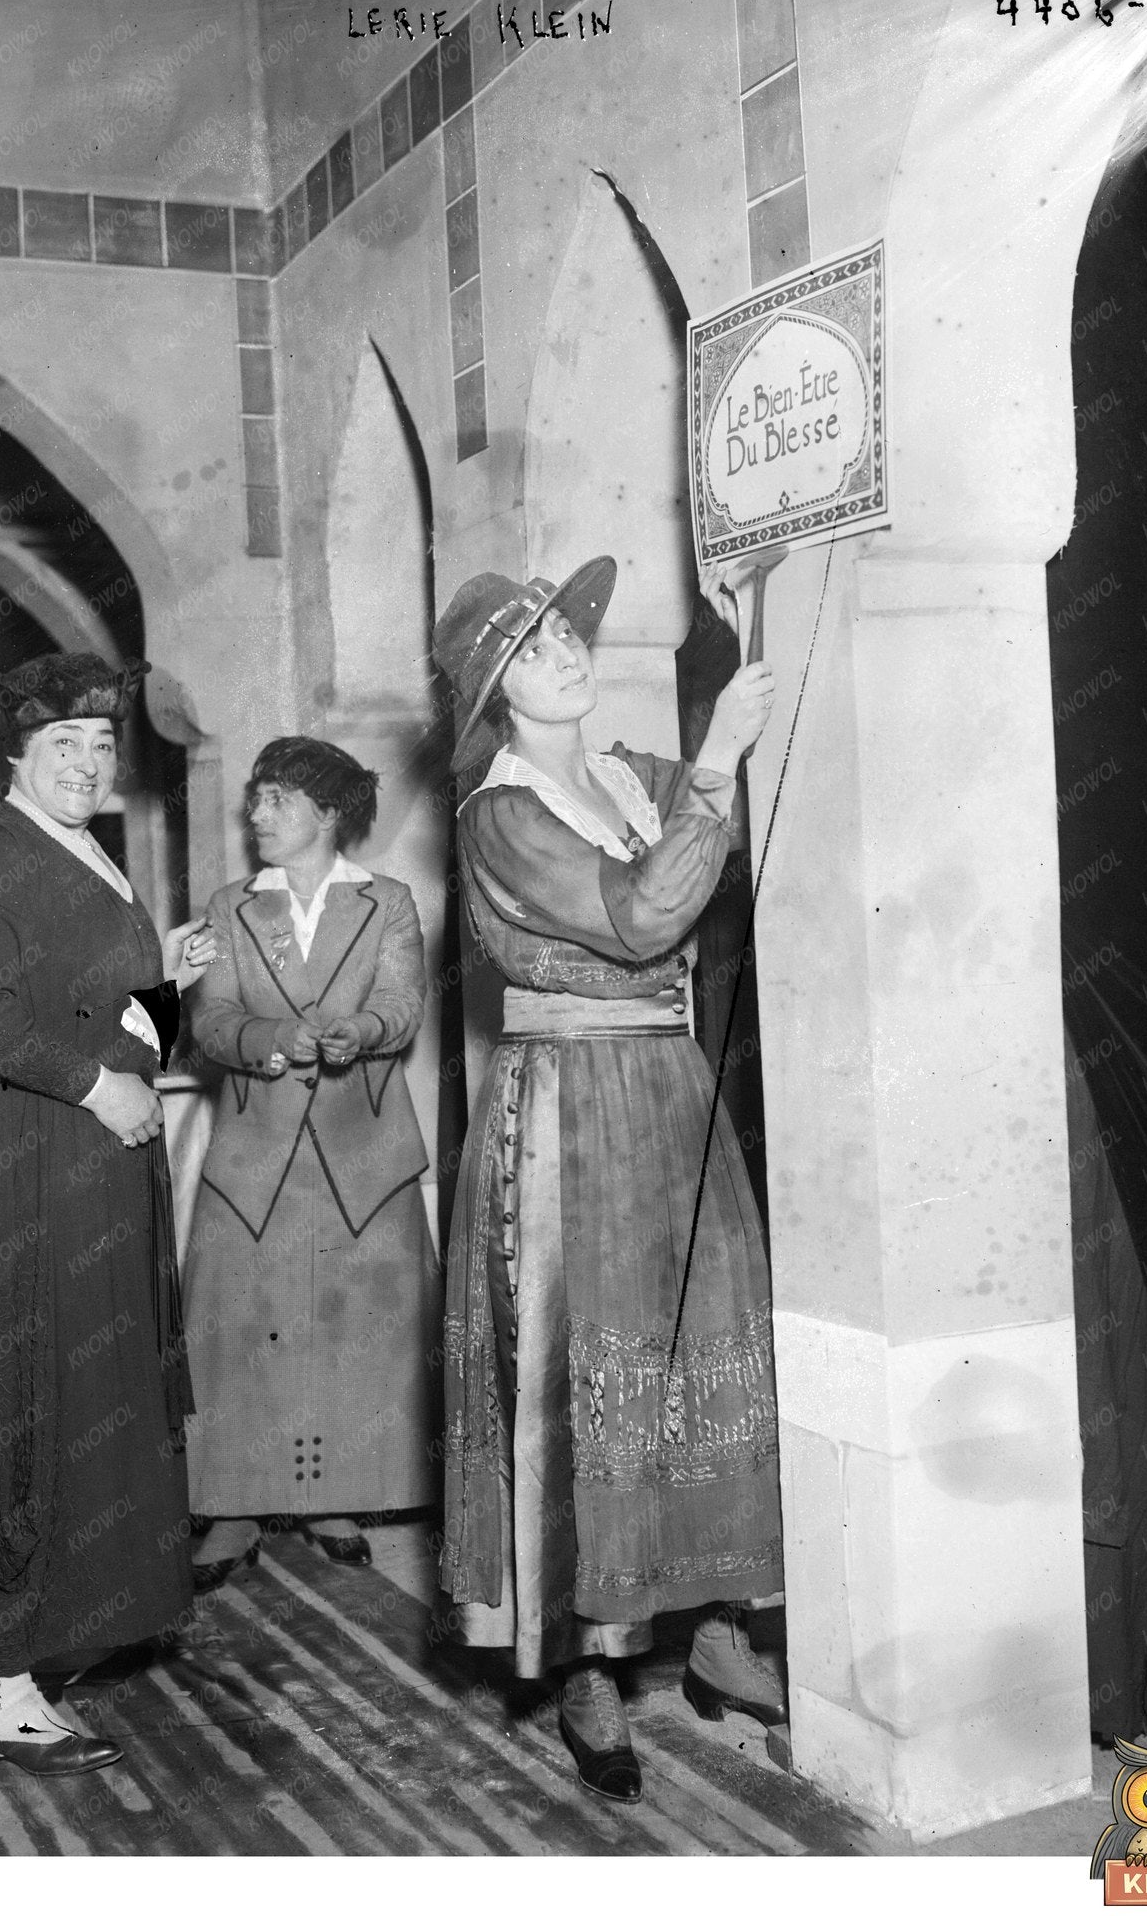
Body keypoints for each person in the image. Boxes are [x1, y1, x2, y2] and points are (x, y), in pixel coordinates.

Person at [433, 556, 787, 1804]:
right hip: (567, 1113)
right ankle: (588, 1663)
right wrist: (714, 770)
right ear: (495, 694)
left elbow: (706, 895)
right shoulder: (500, 814)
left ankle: (713, 1629)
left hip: (671, 1088)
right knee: (587, 1370)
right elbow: (645, 920)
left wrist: (714, 765)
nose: (565, 655)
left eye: (565, 634)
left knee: (697, 1346)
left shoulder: (631, 776)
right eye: (530, 650)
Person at [0, 652, 215, 1775]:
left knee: (90, 1394)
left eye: (101, 743)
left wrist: (160, 979)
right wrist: (97, 1084)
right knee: (30, 1400)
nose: (85, 761)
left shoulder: (85, 852)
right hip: (40, 1163)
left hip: (103, 1167)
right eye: (61, 743)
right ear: (18, 756)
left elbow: (101, 1001)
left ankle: (43, 1643)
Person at [181, 737, 439, 1590]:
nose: (257, 813)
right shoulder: (228, 908)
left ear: (329, 815)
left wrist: (360, 1033)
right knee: (246, 1330)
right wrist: (267, 1041)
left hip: (363, 1151)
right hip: (254, 1155)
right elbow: (211, 1022)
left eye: (278, 799)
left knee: (347, 1332)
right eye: (255, 798)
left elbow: (402, 1002)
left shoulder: (389, 903)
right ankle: (234, 1506)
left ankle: (333, 1496)